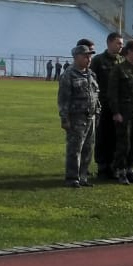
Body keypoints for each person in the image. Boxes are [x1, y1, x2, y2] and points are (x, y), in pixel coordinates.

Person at [56, 44, 100, 187]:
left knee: (88, 148)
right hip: (76, 118)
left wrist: (98, 111)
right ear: (76, 57)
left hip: (91, 117)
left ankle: (83, 176)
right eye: (85, 56)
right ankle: (72, 177)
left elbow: (95, 95)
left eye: (90, 56)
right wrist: (64, 119)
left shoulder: (91, 74)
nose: (88, 59)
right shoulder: (69, 75)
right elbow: (63, 99)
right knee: (75, 149)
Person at [108, 39, 133, 184]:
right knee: (124, 144)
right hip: (124, 113)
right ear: (129, 51)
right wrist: (116, 112)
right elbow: (113, 93)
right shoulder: (119, 69)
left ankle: (130, 170)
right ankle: (120, 171)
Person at [91, 32, 123, 178]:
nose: (121, 46)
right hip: (102, 105)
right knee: (103, 136)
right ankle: (102, 167)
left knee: (116, 137)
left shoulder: (123, 61)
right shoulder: (98, 60)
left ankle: (114, 166)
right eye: (118, 43)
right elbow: (91, 82)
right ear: (109, 43)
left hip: (118, 105)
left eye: (121, 43)